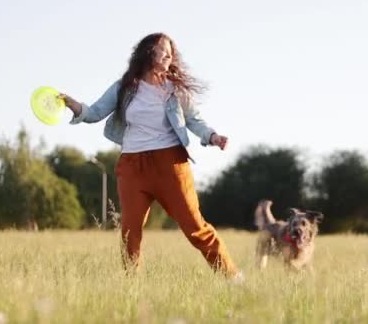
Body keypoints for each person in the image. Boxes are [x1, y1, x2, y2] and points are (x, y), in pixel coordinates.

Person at [59, 33, 242, 281]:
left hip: (170, 165)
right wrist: (72, 104)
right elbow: (94, 113)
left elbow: (193, 120)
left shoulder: (174, 90)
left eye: (171, 52)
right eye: (163, 51)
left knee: (195, 227)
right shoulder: (124, 87)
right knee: (129, 232)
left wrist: (212, 136)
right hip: (132, 166)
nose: (169, 56)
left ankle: (231, 277)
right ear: (148, 53)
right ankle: (133, 285)